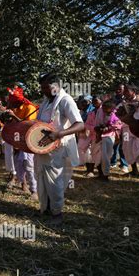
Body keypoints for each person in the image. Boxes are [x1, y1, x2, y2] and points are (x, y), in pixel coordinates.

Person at [35, 73, 85, 226]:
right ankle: (47, 208)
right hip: (43, 148)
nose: (44, 90)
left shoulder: (66, 100)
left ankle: (57, 214)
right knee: (43, 179)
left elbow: (80, 124)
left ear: (56, 86)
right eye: (42, 87)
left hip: (58, 148)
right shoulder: (46, 102)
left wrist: (58, 134)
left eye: (47, 87)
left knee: (55, 182)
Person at [0, 85, 38, 199]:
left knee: (29, 164)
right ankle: (23, 183)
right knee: (18, 163)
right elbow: (11, 124)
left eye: (13, 104)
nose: (12, 106)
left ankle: (34, 191)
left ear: (19, 101)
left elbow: (28, 127)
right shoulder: (14, 107)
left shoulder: (30, 108)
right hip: (17, 140)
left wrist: (14, 116)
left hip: (29, 140)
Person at [91, 100, 122, 181]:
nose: (103, 110)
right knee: (98, 155)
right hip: (99, 136)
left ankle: (106, 175)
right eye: (103, 108)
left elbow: (118, 124)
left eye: (106, 108)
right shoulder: (101, 112)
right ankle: (101, 173)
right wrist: (98, 129)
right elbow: (97, 123)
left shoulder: (114, 115)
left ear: (111, 108)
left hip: (109, 137)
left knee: (106, 157)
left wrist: (108, 128)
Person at [119, 84, 139, 176]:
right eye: (124, 91)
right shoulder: (123, 103)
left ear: (133, 91)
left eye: (127, 90)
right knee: (127, 148)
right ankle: (134, 170)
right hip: (127, 130)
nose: (125, 92)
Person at [110, 84, 129, 172]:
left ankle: (124, 164)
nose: (118, 90)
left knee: (124, 145)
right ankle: (113, 162)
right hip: (115, 125)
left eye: (120, 89)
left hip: (125, 126)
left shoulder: (127, 100)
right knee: (114, 144)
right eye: (117, 89)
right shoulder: (113, 99)